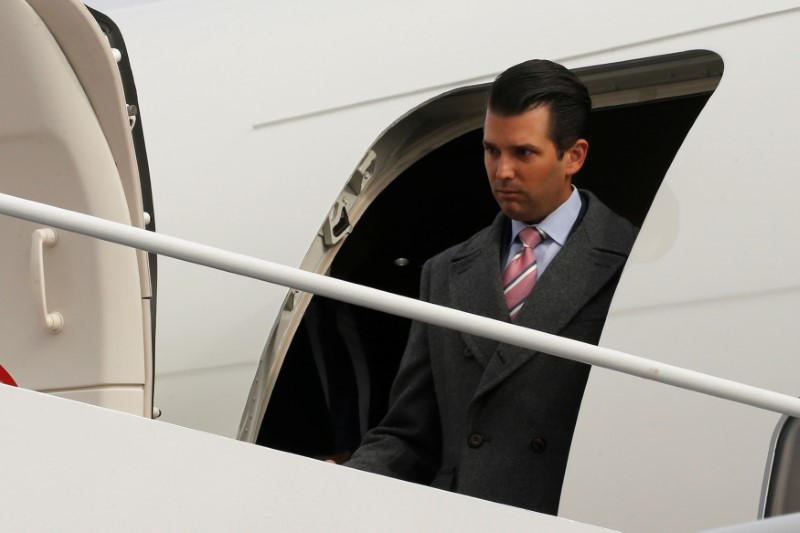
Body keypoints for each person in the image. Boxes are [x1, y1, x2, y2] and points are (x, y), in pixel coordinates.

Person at [344, 59, 638, 515]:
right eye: (491, 150)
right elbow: (410, 432)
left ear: (574, 156)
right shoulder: (443, 272)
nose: (501, 172)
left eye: (523, 153)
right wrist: (330, 490)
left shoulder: (633, 262)